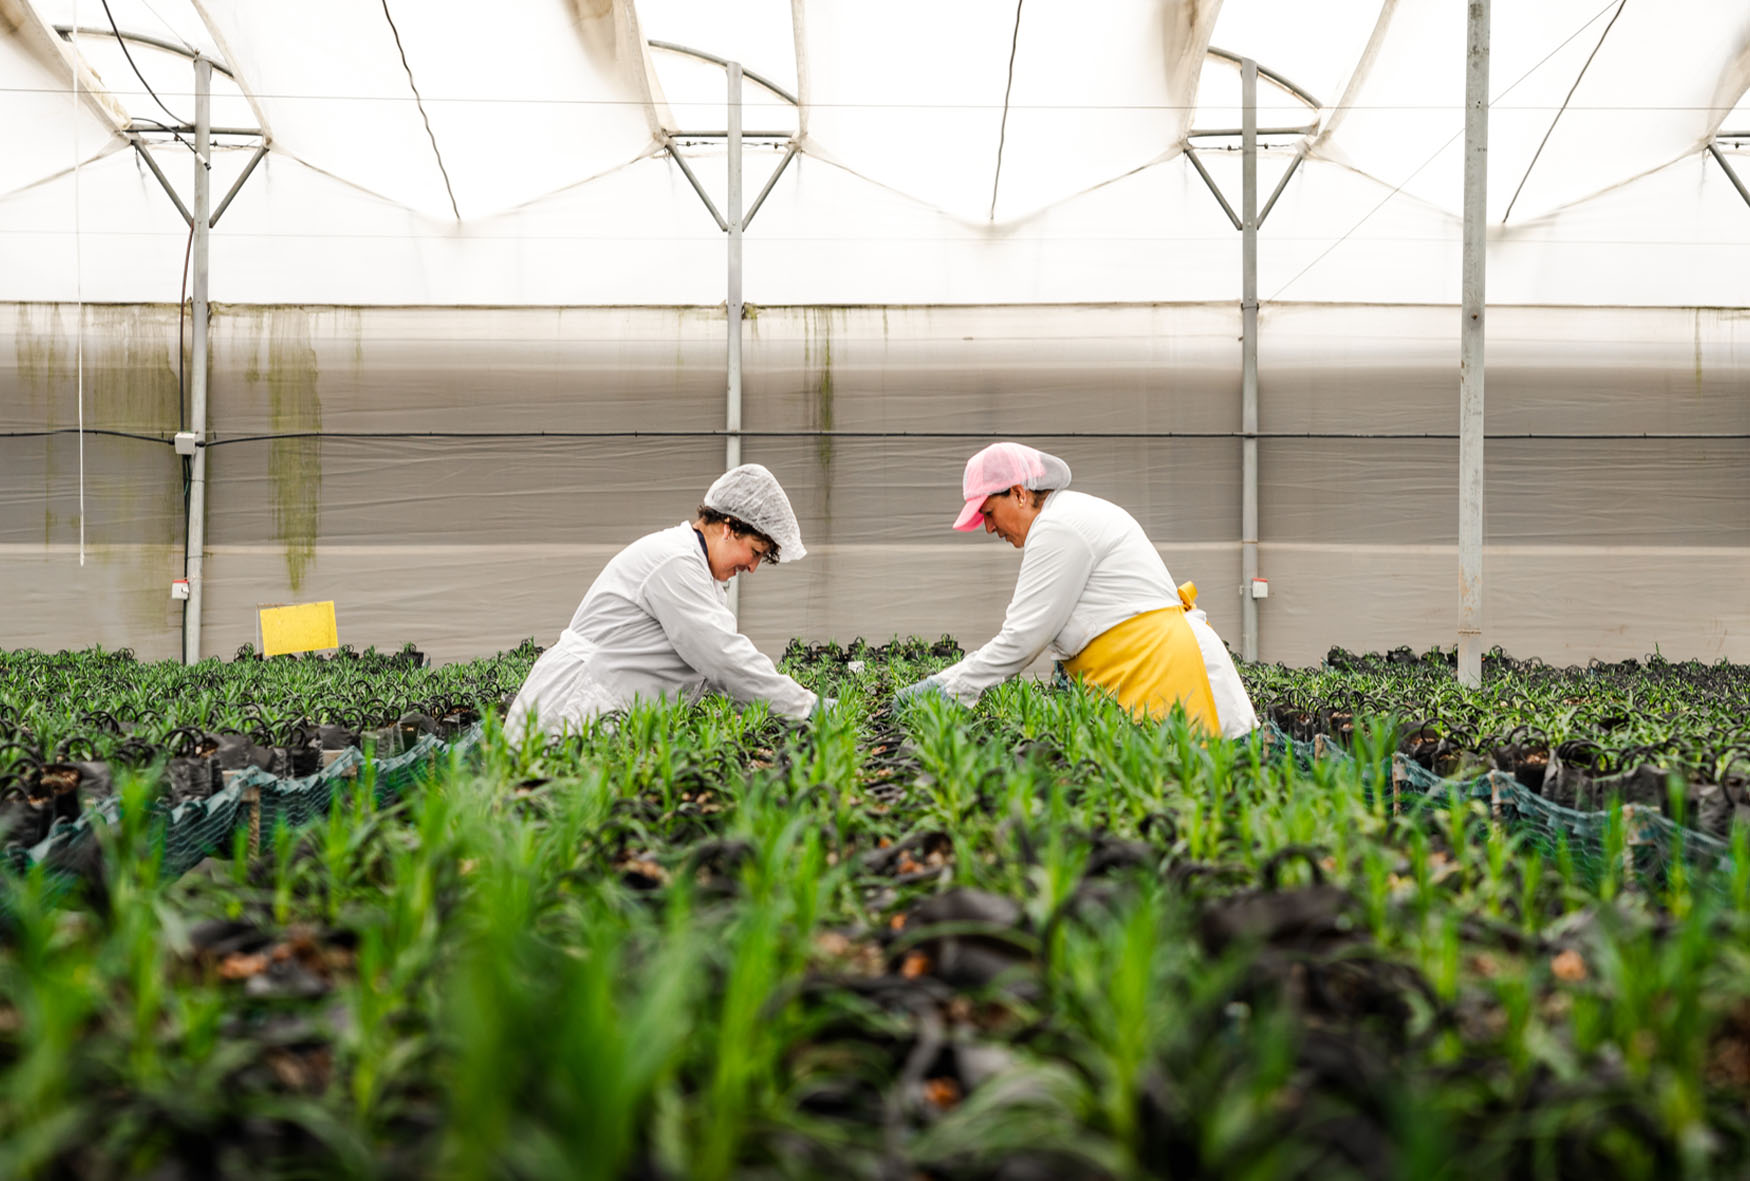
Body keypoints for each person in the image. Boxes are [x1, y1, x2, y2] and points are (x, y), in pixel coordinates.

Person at [895, 442, 1257, 739]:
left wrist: (946, 688)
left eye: (989, 512)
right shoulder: (1064, 518)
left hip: (1170, 673)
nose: (989, 528)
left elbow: (1022, 639)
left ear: (1019, 494)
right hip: (1151, 670)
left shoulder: (1059, 528)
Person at [506, 464, 819, 737]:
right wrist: (806, 707)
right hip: (571, 707)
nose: (751, 568)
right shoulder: (675, 562)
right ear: (730, 527)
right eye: (755, 552)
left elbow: (720, 674)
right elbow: (723, 658)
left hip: (598, 707)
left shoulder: (697, 574)